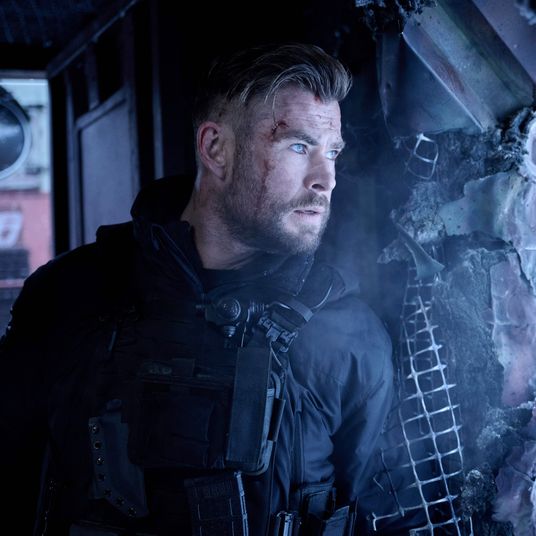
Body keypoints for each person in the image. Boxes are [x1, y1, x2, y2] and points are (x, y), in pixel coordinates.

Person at [0, 42, 393, 535]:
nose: (325, 179)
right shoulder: (68, 294)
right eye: (298, 146)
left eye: (331, 152)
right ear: (216, 149)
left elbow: (374, 511)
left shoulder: (351, 337)